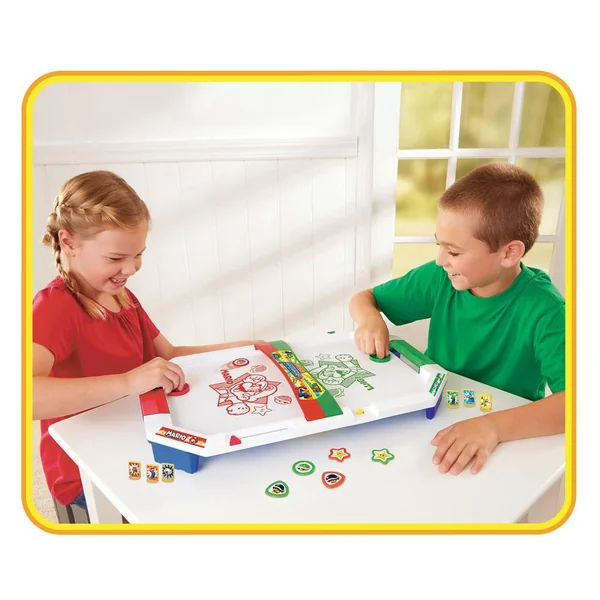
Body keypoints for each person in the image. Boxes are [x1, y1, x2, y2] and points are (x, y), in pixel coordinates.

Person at [33, 170, 259, 513]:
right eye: (116, 258)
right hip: (86, 470)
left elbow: (169, 355)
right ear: (68, 242)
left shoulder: (121, 297)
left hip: (138, 437)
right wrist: (128, 382)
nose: (132, 268)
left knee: (230, 476)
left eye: (138, 254)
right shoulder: (54, 307)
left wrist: (248, 349)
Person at [349, 163, 565, 476]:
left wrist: (492, 427)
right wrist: (369, 319)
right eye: (440, 245)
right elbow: (364, 299)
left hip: (507, 437)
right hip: (434, 417)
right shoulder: (441, 278)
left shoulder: (548, 311)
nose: (440, 260)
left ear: (509, 253)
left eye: (453, 251)